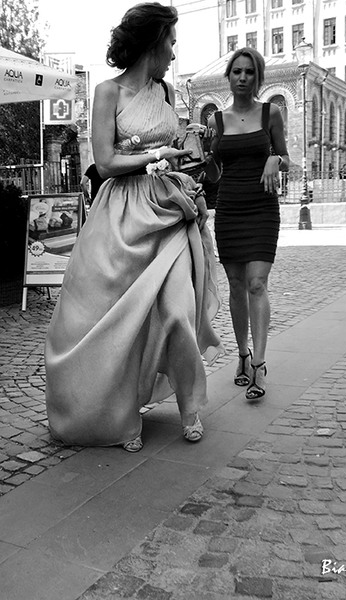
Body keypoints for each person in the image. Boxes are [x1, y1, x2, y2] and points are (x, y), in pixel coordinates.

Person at [45, 2, 224, 452]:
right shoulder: (107, 91)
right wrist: (156, 156)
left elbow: (172, 154)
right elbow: (105, 162)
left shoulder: (166, 92)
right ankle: (117, 412)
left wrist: (191, 177)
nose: (174, 53)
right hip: (121, 214)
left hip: (168, 208)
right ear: (153, 42)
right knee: (119, 319)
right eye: (171, 43)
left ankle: (190, 406)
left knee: (179, 309)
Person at [205, 47, 289, 400]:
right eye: (237, 71)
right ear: (229, 76)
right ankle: (242, 354)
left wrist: (275, 159)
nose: (242, 77)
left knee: (257, 283)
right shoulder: (216, 121)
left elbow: (285, 157)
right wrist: (205, 154)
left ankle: (259, 364)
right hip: (230, 208)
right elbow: (213, 175)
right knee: (237, 285)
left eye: (249, 72)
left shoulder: (271, 113)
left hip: (262, 208)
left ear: (258, 77)